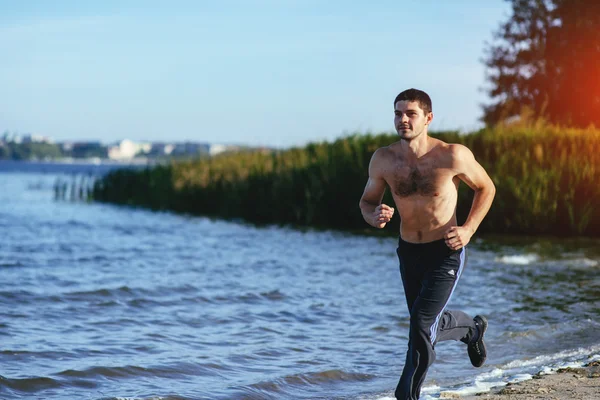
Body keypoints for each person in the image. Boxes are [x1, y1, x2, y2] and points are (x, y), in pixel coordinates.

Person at [359, 88, 496, 400]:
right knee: (426, 323)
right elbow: (366, 203)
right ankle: (472, 330)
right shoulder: (384, 159)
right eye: (398, 113)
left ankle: (406, 394)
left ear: (428, 118)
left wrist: (468, 229)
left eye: (411, 114)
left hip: (445, 251)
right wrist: (375, 216)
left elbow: (486, 188)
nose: (402, 119)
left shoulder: (452, 155)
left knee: (421, 323)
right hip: (409, 252)